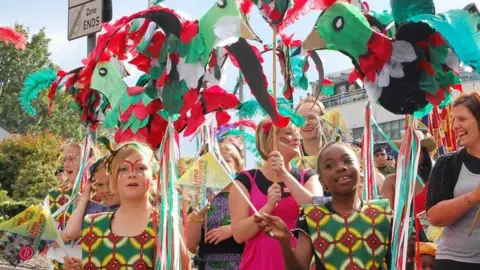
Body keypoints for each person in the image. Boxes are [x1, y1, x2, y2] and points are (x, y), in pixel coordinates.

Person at [254, 138, 393, 269]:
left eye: (347, 161)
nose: (340, 168)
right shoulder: (311, 217)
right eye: (329, 165)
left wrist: (409, 255)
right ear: (322, 181)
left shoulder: (383, 213)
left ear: (360, 168)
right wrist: (285, 241)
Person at [63, 142, 190, 269]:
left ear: (154, 176)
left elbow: (182, 266)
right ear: (113, 178)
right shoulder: (93, 224)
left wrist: (170, 233)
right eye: (123, 169)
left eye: (141, 168)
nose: (132, 174)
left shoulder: (165, 223)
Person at [229, 118, 323, 270]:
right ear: (269, 141)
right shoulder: (245, 180)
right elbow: (239, 235)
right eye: (288, 133)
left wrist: (284, 174)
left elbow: (318, 208)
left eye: (295, 133)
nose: (296, 138)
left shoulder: (307, 176)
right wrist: (268, 207)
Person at [427, 92, 480, 269]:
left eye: (462, 119)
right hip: (456, 261)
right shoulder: (447, 163)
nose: (455, 126)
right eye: (454, 119)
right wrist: (474, 196)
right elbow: (434, 217)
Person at [187, 140, 245, 270]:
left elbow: (259, 224)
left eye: (226, 161)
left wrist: (232, 229)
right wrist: (198, 214)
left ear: (238, 166)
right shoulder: (201, 196)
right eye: (216, 162)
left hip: (244, 262)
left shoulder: (248, 194)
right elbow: (191, 244)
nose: (221, 166)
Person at [62, 156, 121, 241]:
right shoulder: (98, 211)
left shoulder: (136, 209)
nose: (106, 190)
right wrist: (84, 200)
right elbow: (70, 233)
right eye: (100, 185)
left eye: (110, 183)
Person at [45, 142, 83, 270]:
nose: (66, 164)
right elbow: (44, 234)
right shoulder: (54, 194)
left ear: (87, 161)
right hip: (60, 264)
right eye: (64, 159)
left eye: (72, 159)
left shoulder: (104, 193)